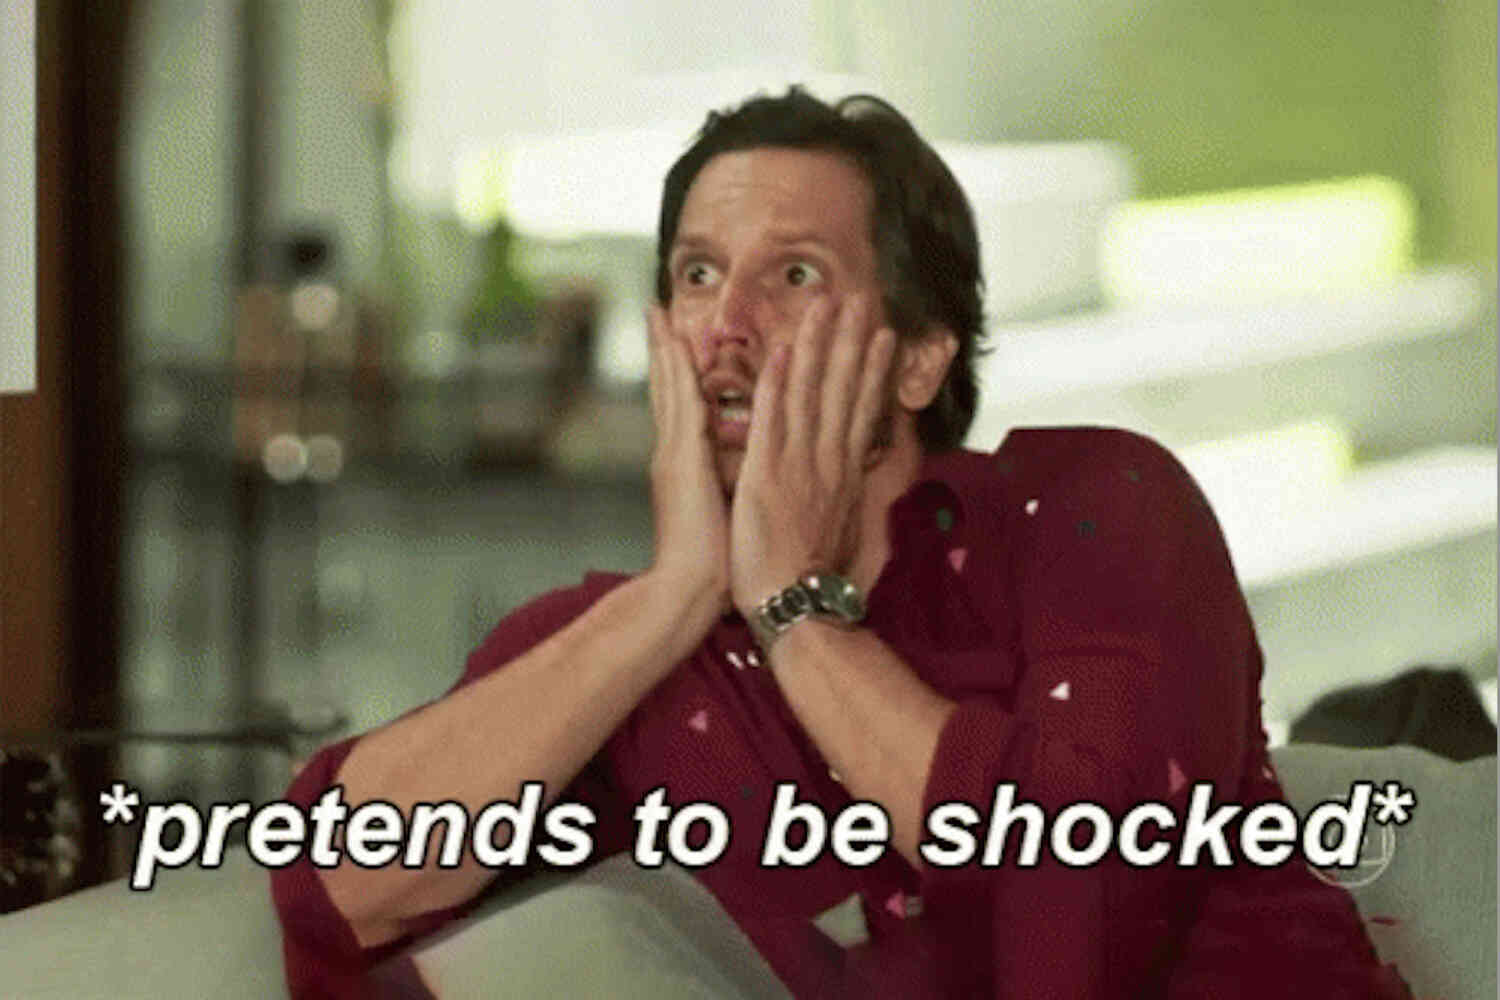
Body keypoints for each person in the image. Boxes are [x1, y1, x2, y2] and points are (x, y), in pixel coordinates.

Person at [271, 89, 1410, 998]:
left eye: (794, 275)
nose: (728, 326)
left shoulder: (1094, 509)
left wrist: (798, 611)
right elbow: (338, 888)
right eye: (698, 275)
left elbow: (1078, 919)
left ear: (917, 359)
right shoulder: (638, 650)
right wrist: (676, 594)